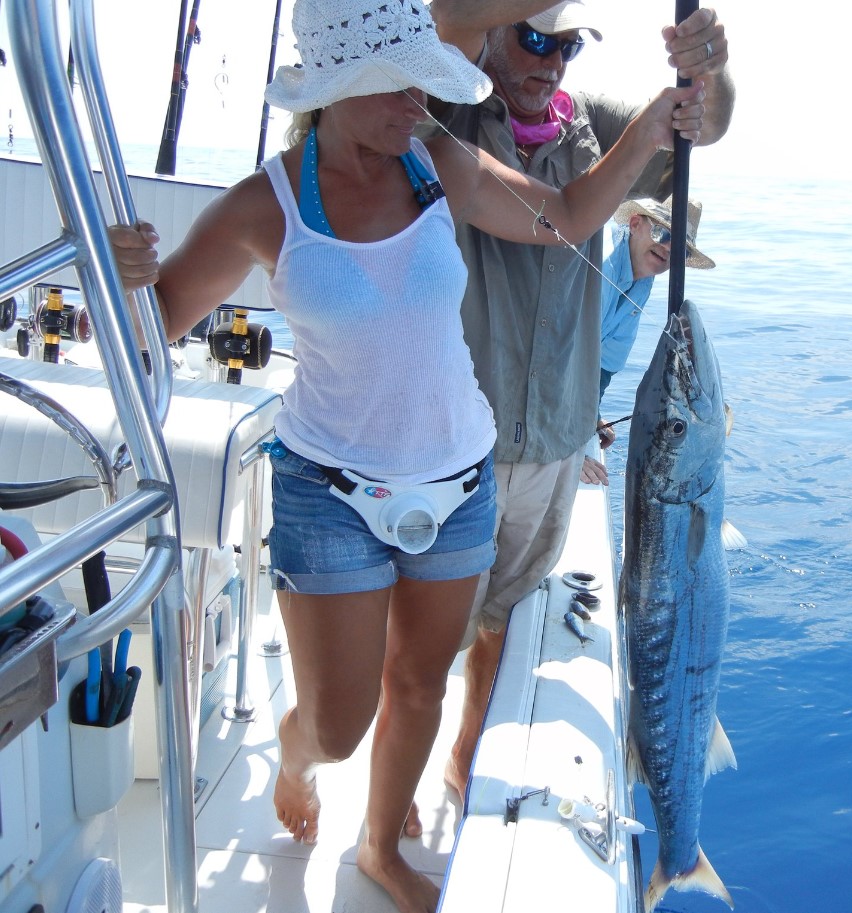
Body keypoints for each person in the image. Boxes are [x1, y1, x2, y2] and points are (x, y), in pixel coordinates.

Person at [109, 0, 705, 910]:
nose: (419, 102)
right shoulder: (261, 204)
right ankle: (297, 748)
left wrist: (659, 122)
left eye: (425, 79)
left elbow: (565, 217)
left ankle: (382, 847)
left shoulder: (438, 162)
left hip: (459, 478)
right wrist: (125, 283)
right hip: (328, 491)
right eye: (395, 84)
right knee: (340, 726)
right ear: (333, 90)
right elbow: (148, 344)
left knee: (420, 683)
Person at [422, 0, 736, 801]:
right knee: (419, 647)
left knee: (501, 620)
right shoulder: (444, 107)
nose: (550, 62)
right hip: (457, 446)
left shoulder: (589, 124)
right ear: (493, 29)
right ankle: (351, 763)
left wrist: (708, 68)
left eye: (565, 46)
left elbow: (705, 125)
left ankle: (463, 756)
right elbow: (441, 17)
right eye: (532, 38)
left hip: (556, 443)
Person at [580, 195, 715, 485]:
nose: (667, 247)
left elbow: (603, 365)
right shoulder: (600, 264)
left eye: (678, 245)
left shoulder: (643, 278)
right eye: (662, 232)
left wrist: (591, 415)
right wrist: (569, 448)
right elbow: (554, 359)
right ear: (634, 223)